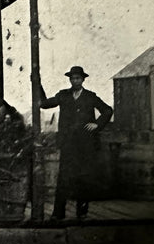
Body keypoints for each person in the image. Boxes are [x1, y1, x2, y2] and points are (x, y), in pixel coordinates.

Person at [39, 65, 114, 221]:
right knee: (63, 178)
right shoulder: (63, 95)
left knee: (84, 178)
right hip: (68, 144)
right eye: (73, 78)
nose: (75, 81)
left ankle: (82, 213)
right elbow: (44, 104)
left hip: (86, 144)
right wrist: (37, 83)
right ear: (70, 80)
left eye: (78, 78)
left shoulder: (90, 97)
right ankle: (58, 213)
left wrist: (97, 124)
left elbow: (107, 110)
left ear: (83, 79)